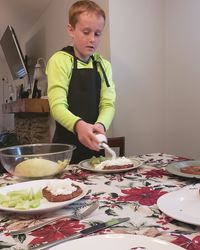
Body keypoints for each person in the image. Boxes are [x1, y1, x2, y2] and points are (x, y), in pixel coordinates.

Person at [46, 0, 116, 164]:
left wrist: (100, 126)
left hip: (94, 148)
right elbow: (57, 106)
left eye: (97, 34)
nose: (92, 39)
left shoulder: (104, 66)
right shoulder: (60, 61)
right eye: (86, 32)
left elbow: (108, 104)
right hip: (64, 152)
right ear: (71, 30)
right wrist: (78, 125)